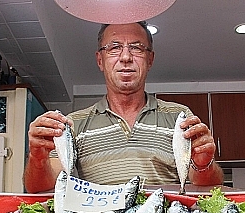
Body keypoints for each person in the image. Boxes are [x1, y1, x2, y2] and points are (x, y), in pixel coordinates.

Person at [23, 21, 224, 193]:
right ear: (100, 60)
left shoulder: (179, 117)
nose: (126, 57)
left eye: (137, 48)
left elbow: (208, 186)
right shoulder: (72, 123)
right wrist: (37, 158)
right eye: (114, 47)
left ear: (150, 59)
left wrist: (204, 163)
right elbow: (40, 188)